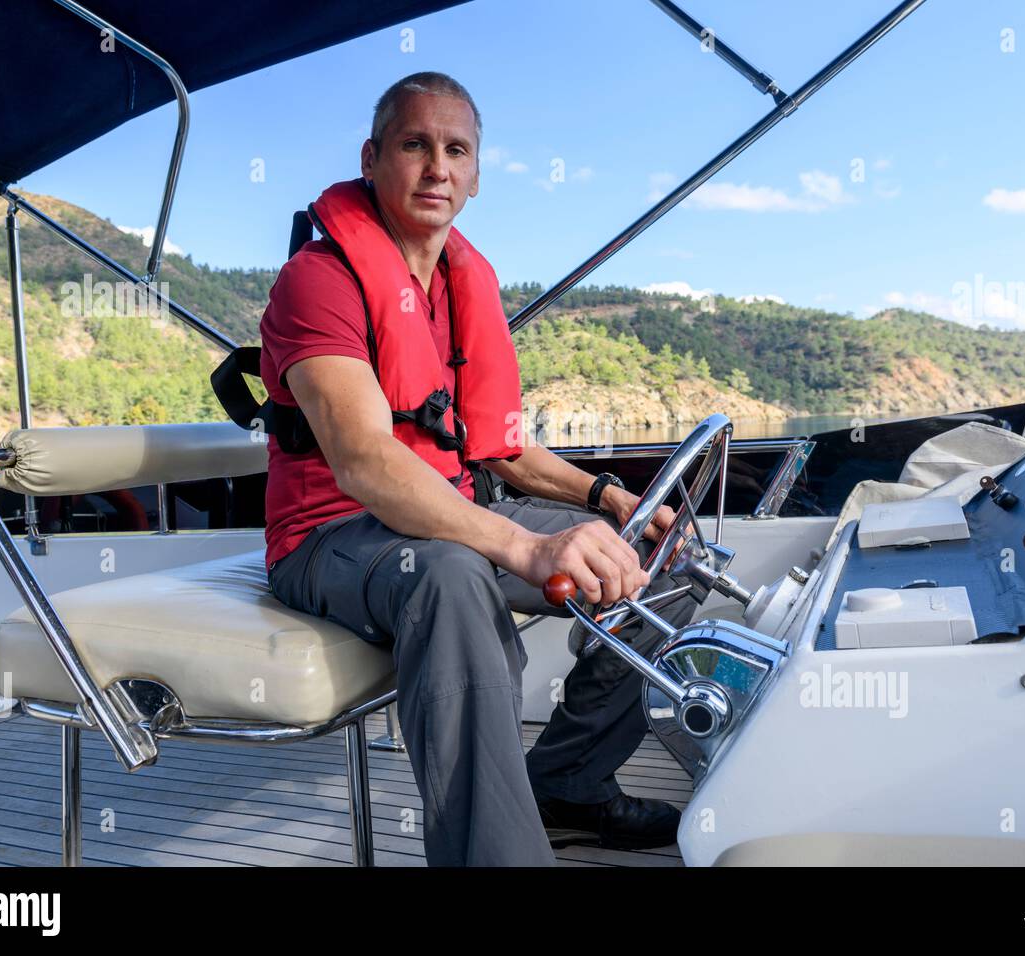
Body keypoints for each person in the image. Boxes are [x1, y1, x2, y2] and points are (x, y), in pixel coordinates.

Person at [260, 71, 700, 866]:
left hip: (450, 515)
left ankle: (569, 780)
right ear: (371, 157)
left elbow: (495, 446)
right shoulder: (317, 282)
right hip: (329, 538)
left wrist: (612, 497)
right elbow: (362, 460)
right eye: (414, 145)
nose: (436, 166)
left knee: (666, 555)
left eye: (455, 149)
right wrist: (524, 546)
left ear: (475, 173)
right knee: (453, 576)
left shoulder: (462, 285)